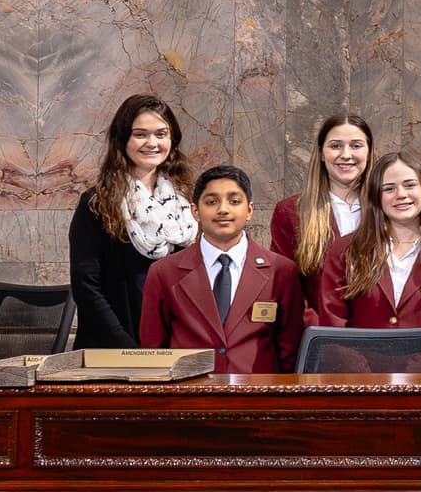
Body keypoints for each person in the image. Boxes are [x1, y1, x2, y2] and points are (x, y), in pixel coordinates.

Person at [136, 165, 300, 371]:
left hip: (257, 397)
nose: (223, 209)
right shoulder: (164, 272)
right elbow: (154, 349)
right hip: (189, 396)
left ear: (249, 210)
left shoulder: (281, 271)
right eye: (212, 202)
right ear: (195, 211)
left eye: (234, 201)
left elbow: (289, 350)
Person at [69, 93, 195, 349]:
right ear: (123, 139)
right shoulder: (97, 203)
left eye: (161, 134)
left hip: (173, 346)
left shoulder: (187, 201)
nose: (152, 143)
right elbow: (86, 288)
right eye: (140, 134)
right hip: (114, 349)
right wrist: (127, 349)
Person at [309, 153, 421, 333]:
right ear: (376, 197)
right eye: (389, 189)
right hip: (356, 361)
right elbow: (333, 326)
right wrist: (361, 362)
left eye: (410, 185)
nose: (401, 194)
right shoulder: (345, 251)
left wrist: (420, 362)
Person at [271, 112, 373, 281]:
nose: (346, 155)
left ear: (369, 152)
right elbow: (284, 282)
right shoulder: (291, 211)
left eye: (356, 146)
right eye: (335, 146)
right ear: (321, 154)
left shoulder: (387, 208)